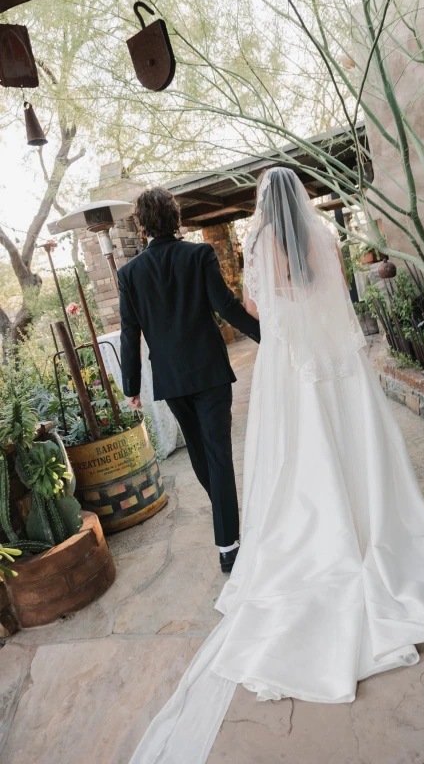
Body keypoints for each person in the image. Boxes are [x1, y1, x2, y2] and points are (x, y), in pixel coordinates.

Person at [129, 168, 424, 764]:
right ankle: (315, 529)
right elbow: (300, 299)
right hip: (318, 358)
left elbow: (244, 304)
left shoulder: (242, 243)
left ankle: (245, 539)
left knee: (256, 456)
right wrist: (280, 328)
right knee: (330, 443)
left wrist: (272, 334)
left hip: (249, 368)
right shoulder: (315, 235)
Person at [118, 187, 260, 573]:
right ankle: (228, 543)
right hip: (209, 371)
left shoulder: (129, 273)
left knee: (201, 452)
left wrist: (131, 386)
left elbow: (129, 333)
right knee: (217, 454)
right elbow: (226, 306)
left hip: (171, 378)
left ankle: (227, 529)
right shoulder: (198, 255)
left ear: (142, 225)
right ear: (175, 217)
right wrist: (267, 336)